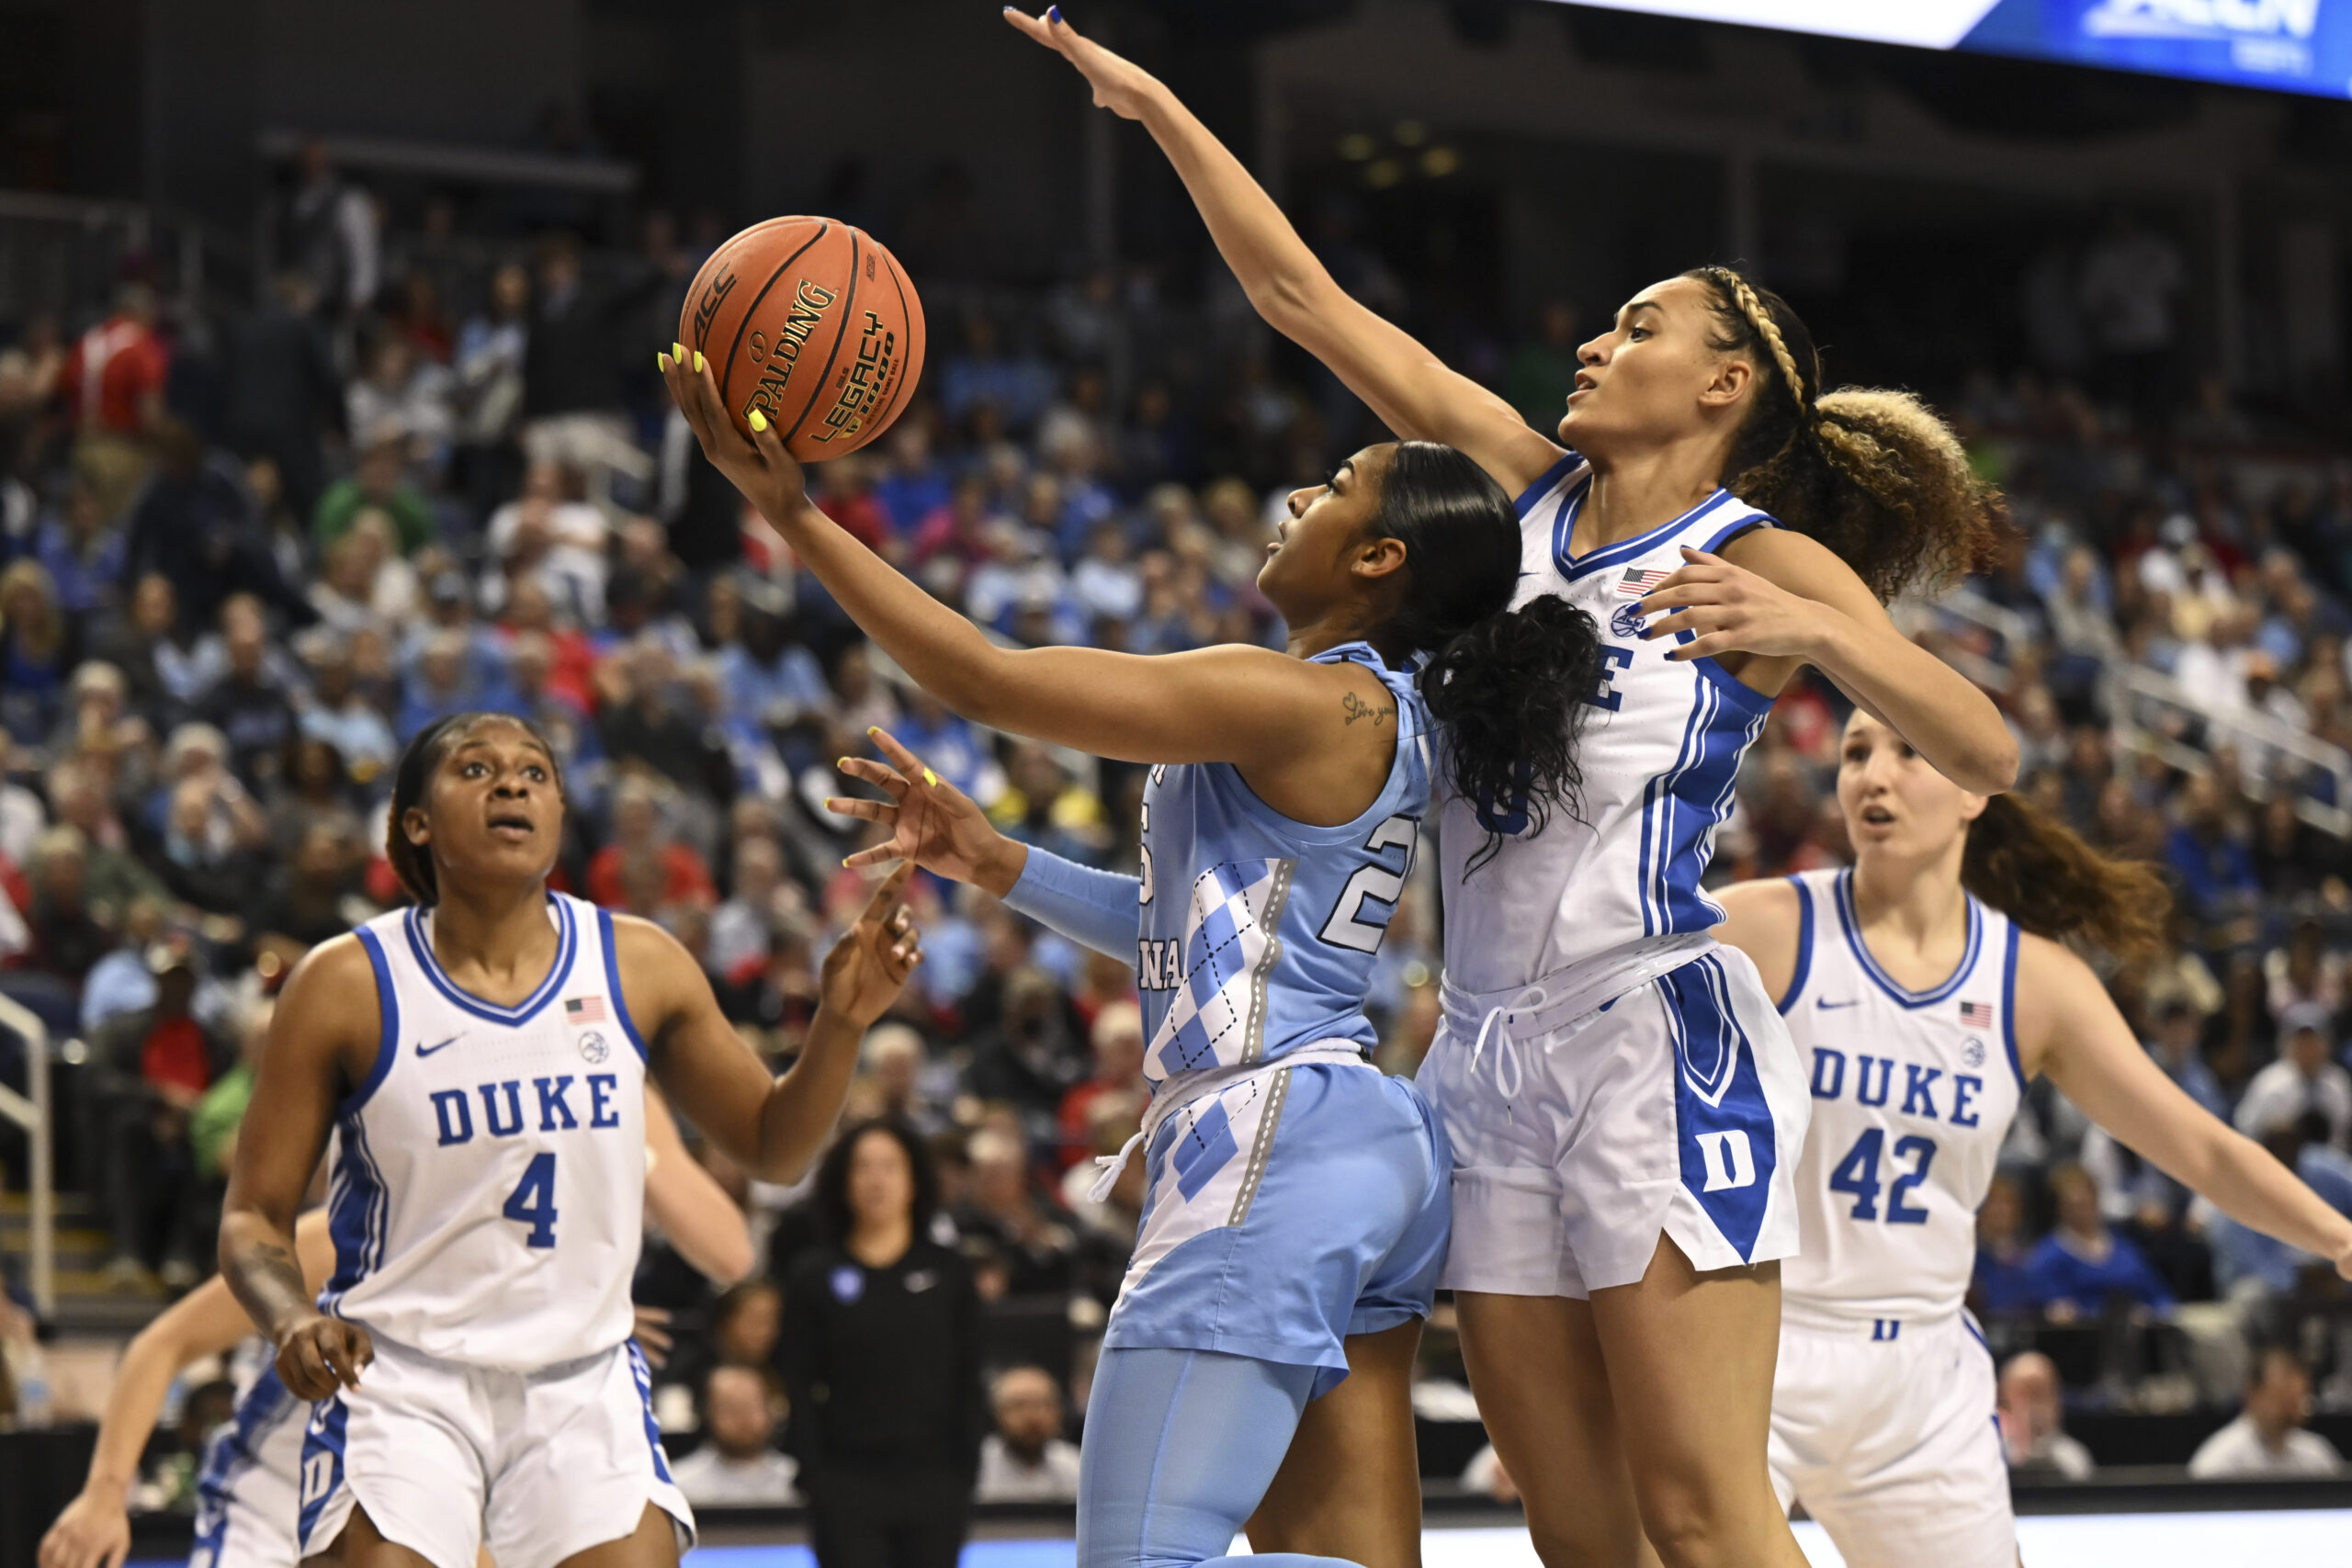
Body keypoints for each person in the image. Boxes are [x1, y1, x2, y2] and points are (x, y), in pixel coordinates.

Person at [1006, 13, 2015, 1568]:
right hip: (1479, 1048)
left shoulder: (1758, 557)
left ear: (1721, 383)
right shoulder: (1524, 490)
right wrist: (1151, 108)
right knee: (1575, 1530)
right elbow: (1302, 299)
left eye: (1639, 325)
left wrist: (1818, 629)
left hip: (1649, 1033)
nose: (1599, 343)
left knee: (1700, 1508)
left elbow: (1988, 748)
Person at [665, 247, 1605, 1565]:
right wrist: (999, 864)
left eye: (1334, 487)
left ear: (1380, 556)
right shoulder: (1377, 716)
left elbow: (988, 677)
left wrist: (799, 519)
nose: (1296, 495)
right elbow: (1194, 942)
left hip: (1268, 1137)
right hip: (1362, 1143)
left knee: (1138, 1553)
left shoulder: (1298, 695)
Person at [217, 712, 925, 1568]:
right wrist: (290, 1314)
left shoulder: (637, 962)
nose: (511, 784)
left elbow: (774, 1146)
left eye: (534, 773)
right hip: (398, 1375)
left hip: (579, 1374)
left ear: (557, 814)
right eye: (475, 770)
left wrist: (840, 1026)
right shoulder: (345, 983)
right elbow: (253, 1216)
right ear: (416, 821)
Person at [1710, 710, 2352, 1566]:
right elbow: (1586, 977)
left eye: (1909, 750)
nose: (1874, 775)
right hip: (1762, 1345)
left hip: (1923, 1372)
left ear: (1977, 788)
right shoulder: (1764, 925)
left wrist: (2340, 1237)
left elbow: (2198, 1147)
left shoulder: (2033, 982)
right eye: (1858, 750)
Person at [40, 1088, 755, 1568]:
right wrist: (105, 1491)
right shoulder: (343, 1242)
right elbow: (161, 1343)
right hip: (271, 1509)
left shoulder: (543, 1313)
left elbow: (729, 1248)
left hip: (394, 1510)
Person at [778, 1121, 984, 1567]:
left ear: (913, 1181)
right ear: (843, 1182)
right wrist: (815, 1473)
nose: (877, 1180)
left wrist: (964, 1470)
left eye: (890, 1167)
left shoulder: (949, 1271)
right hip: (846, 1480)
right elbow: (796, 1378)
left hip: (935, 1478)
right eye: (863, 1167)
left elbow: (970, 1374)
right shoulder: (813, 1275)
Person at [2187, 1347, 2345, 1478]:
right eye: (2281, 1394)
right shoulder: (2219, 1461)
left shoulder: (2316, 1454)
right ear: (2252, 1394)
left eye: (2299, 1395)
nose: (2291, 1404)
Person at [670, 1365, 800, 1506]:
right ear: (707, 1413)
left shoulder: (795, 1479)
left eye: (751, 1407)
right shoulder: (679, 1485)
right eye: (730, 1409)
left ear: (771, 1410)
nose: (743, 1419)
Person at [976, 1366, 1084, 1503]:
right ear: (998, 1414)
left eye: (1042, 1405)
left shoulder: (1073, 1463)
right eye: (1019, 1405)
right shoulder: (978, 1465)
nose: (1032, 1416)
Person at [1995, 1351, 2094, 1481]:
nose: (2032, 1404)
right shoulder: (1989, 1452)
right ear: (2003, 1397)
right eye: (2022, 1393)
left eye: (2039, 1392)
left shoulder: (2074, 1457)